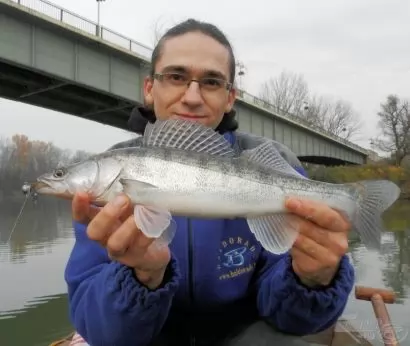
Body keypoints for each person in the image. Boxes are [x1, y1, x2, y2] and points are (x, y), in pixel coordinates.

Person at [64, 18, 355, 346]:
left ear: (231, 97)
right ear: (149, 88)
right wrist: (141, 277)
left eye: (212, 82)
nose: (192, 96)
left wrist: (313, 278)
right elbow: (99, 328)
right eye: (176, 76)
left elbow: (292, 319)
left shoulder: (276, 166)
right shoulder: (108, 178)